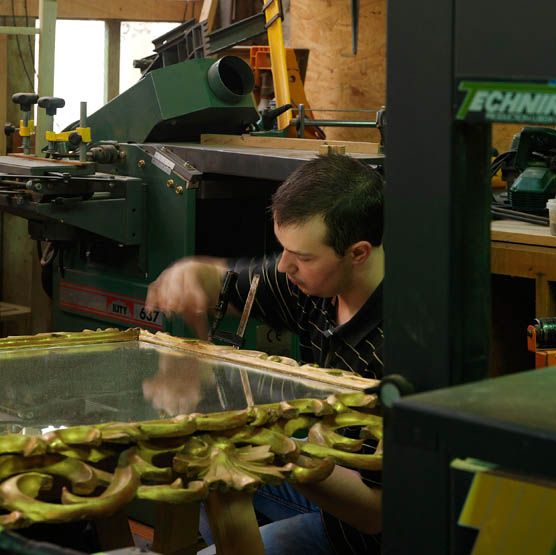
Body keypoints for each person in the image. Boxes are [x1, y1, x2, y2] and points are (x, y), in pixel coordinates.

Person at [145, 153, 384, 555]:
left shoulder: (395, 348)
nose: (285, 265)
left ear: (358, 253)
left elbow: (376, 515)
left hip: (364, 536)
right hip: (327, 480)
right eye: (283, 248)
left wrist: (267, 445)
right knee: (210, 491)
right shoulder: (314, 282)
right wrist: (193, 275)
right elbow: (232, 283)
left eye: (303, 256)